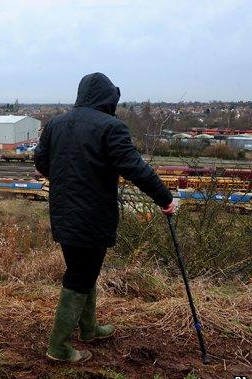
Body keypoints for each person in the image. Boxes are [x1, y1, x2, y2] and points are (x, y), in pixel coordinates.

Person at [34, 72, 175, 363]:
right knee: (80, 274)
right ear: (109, 99)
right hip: (92, 214)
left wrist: (66, 181)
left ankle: (89, 329)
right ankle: (58, 347)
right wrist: (165, 198)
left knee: (84, 270)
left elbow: (41, 161)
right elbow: (134, 167)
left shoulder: (56, 124)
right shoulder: (112, 127)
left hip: (63, 211)